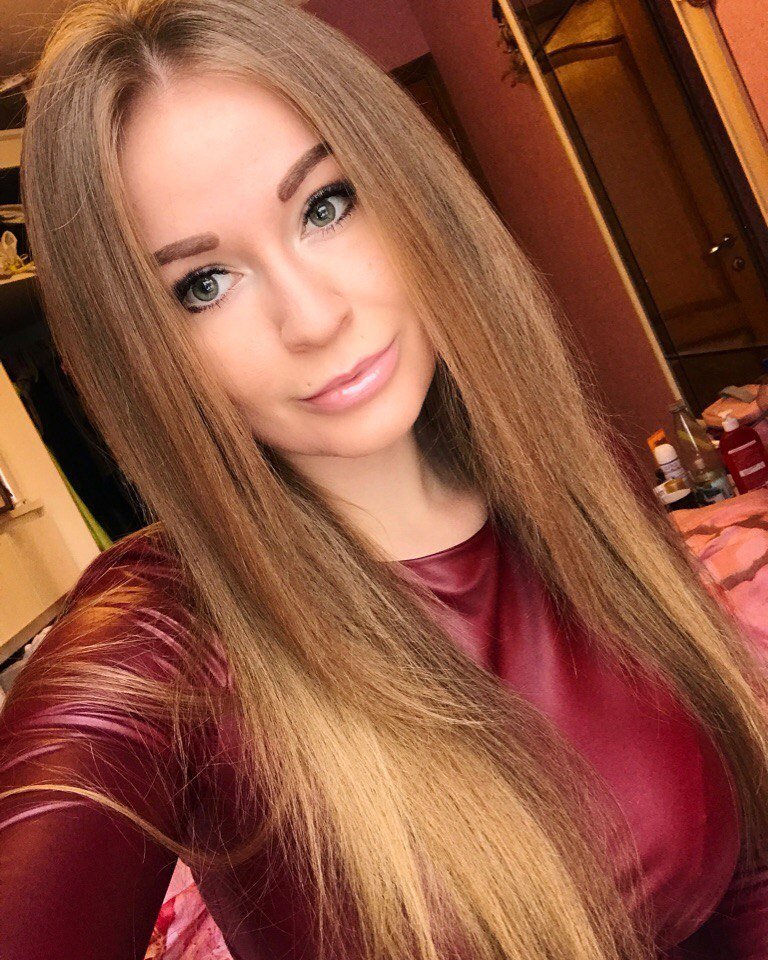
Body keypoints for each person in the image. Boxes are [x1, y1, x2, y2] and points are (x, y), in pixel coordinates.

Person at [2, 1, 768, 958]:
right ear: (138, 355)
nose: (314, 317)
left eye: (325, 206)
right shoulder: (165, 648)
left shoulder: (573, 479)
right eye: (202, 284)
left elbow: (746, 863)